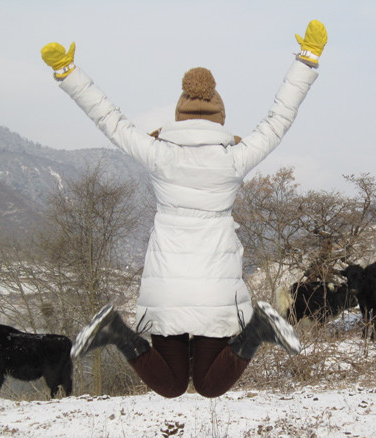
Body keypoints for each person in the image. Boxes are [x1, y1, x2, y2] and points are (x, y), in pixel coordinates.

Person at [40, 20, 327, 398]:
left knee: (173, 384)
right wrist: (306, 60)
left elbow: (108, 119)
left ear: (179, 117)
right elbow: (279, 119)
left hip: (168, 286)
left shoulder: (159, 154)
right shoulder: (234, 158)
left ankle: (116, 332)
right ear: (220, 118)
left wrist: (68, 73)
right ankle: (257, 330)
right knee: (208, 385)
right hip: (215, 289)